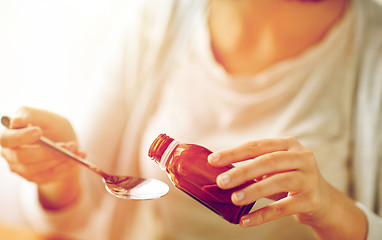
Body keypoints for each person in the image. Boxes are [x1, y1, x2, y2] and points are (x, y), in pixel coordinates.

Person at [0, 0, 381, 239]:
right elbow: (70, 222)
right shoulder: (159, 17)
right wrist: (61, 174)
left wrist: (333, 210)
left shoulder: (370, 47)